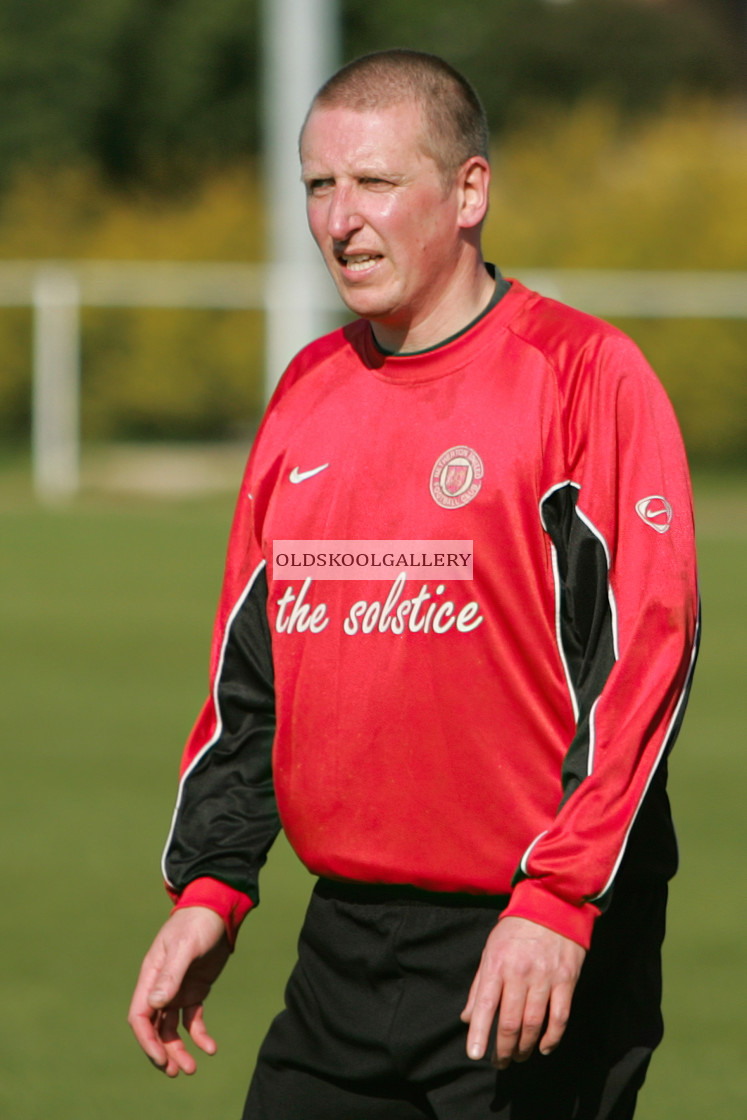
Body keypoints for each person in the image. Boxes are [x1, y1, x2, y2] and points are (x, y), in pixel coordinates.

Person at [128, 49, 700, 1119]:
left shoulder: (584, 378)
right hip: (343, 949)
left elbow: (646, 658)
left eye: (377, 183)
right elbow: (248, 682)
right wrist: (212, 885)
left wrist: (559, 897)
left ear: (469, 189)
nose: (342, 219)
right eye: (318, 186)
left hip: (529, 942)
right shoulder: (307, 392)